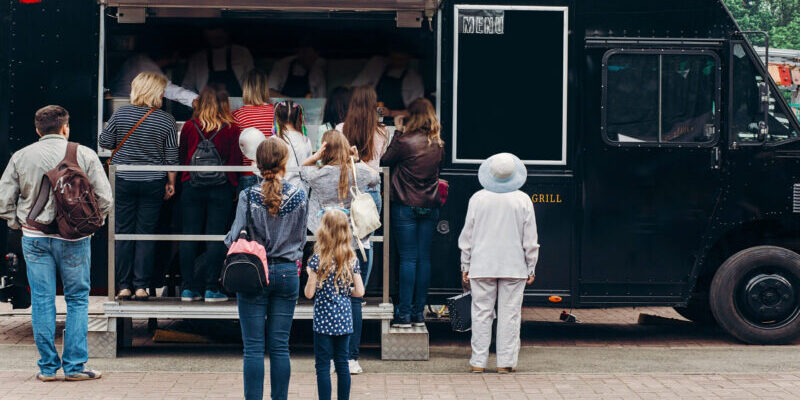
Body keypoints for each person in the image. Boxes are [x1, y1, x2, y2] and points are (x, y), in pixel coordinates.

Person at [0, 105, 112, 381]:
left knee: (42, 300)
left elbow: (4, 202)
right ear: (65, 128)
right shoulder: (84, 154)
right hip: (75, 239)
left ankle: (48, 369)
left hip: (35, 238)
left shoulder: (21, 156)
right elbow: (105, 198)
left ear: (38, 130)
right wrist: (90, 226)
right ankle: (75, 367)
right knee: (76, 300)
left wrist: (19, 224)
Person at [225, 137, 308, 400]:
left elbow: (232, 238)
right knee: (280, 347)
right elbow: (302, 238)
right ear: (284, 162)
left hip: (253, 274)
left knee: (252, 348)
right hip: (287, 273)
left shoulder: (248, 196)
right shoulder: (300, 196)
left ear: (257, 163)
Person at [100, 72, 179, 301]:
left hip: (123, 180)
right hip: (153, 182)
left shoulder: (121, 113)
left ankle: (123, 286)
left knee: (123, 233)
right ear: (156, 92)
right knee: (145, 234)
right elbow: (171, 157)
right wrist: (171, 182)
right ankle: (141, 287)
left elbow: (104, 142)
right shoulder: (166, 120)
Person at [458, 152, 539, 374]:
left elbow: (468, 237)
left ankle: (478, 362)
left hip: (482, 264)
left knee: (481, 312)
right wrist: (531, 265)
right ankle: (505, 362)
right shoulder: (523, 200)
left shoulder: (478, 198)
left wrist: (465, 264)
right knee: (510, 314)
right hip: (514, 266)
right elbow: (530, 239)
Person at [337, 85, 388, 373]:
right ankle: (352, 357)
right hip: (371, 197)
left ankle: (340, 355)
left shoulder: (341, 128)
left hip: (345, 193)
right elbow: (377, 167)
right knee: (363, 251)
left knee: (343, 258)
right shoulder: (383, 133)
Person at [380, 98, 443, 328]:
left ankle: (404, 315)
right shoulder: (437, 143)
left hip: (405, 205)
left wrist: (396, 132)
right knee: (423, 259)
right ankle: (418, 314)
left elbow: (385, 161)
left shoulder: (405, 141)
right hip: (429, 206)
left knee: (408, 258)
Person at [178, 87, 243, 303]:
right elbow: (235, 162)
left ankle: (187, 289)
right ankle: (211, 288)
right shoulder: (232, 129)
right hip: (220, 188)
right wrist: (233, 187)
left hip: (191, 186)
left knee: (189, 235)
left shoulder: (189, 126)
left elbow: (182, 158)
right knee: (215, 237)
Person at [304, 209, 365, 400]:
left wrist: (309, 274)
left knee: (322, 366)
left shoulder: (318, 260)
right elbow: (360, 291)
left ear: (323, 231)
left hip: (323, 321)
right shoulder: (351, 259)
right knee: (342, 364)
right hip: (345, 319)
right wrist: (345, 293)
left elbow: (309, 293)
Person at [301, 130, 380, 238]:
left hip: (325, 230)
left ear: (324, 151)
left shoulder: (318, 174)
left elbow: (303, 169)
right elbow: (376, 178)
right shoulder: (357, 171)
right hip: (351, 232)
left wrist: (316, 157)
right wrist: (357, 160)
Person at [110, 36, 198, 108]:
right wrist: (196, 99)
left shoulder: (139, 60)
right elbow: (169, 89)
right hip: (128, 106)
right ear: (174, 54)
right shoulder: (143, 64)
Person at [351, 51, 425, 123]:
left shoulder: (413, 79)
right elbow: (355, 90)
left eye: (400, 59)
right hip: (374, 123)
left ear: (408, 58)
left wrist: (390, 113)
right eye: (394, 58)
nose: (397, 62)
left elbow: (416, 111)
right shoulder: (377, 69)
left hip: (399, 125)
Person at [182, 27, 254, 97]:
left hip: (238, 107)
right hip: (207, 107)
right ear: (205, 34)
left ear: (227, 33)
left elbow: (253, 83)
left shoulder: (242, 53)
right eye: (212, 31)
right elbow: (187, 86)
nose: (216, 36)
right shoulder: (198, 58)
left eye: (219, 36)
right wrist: (198, 103)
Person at [233, 68, 274, 189]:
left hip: (247, 173)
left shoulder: (237, 115)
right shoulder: (276, 113)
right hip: (272, 174)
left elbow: (236, 151)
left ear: (246, 88)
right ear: (265, 88)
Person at [274, 100, 313, 191]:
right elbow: (309, 169)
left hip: (279, 190)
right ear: (298, 116)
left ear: (278, 116)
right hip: (301, 190)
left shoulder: (273, 140)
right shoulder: (305, 140)